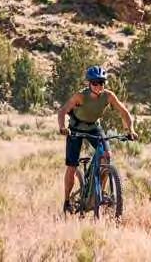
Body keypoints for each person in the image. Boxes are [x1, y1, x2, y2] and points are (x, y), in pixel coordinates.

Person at [58, 65, 138, 214]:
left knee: (107, 156)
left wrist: (130, 130)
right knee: (72, 166)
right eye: (95, 83)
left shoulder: (108, 96)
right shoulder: (80, 96)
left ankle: (99, 193)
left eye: (101, 82)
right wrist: (63, 127)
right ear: (89, 83)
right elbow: (62, 111)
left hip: (94, 127)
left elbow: (124, 112)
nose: (98, 86)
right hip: (76, 129)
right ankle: (67, 201)